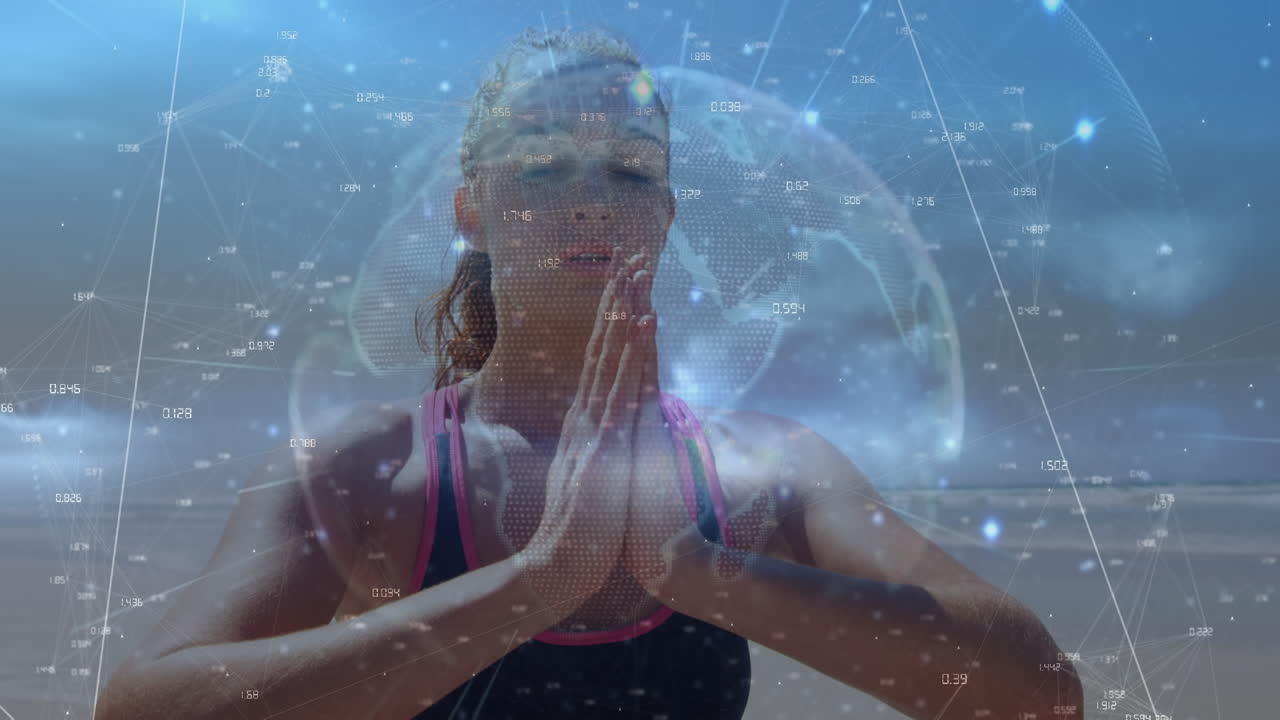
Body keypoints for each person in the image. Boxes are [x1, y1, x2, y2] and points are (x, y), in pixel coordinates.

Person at [97, 26, 1083, 720]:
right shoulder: (365, 469)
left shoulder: (766, 468)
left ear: (666, 211)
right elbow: (146, 706)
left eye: (631, 169)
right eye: (539, 166)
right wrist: (536, 583)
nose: (591, 202)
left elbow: (1036, 695)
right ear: (471, 211)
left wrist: (697, 573)